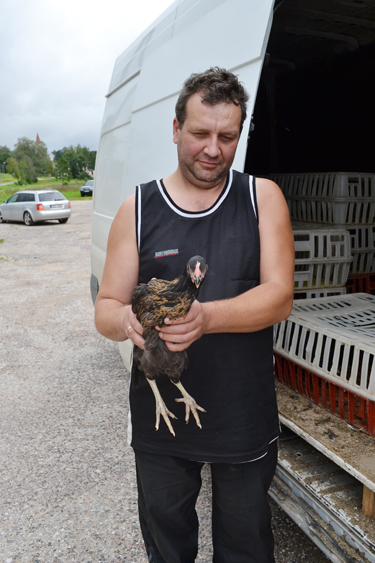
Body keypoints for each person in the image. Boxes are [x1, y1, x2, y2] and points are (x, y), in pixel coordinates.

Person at [95, 67, 295, 563]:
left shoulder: (261, 197)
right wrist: (127, 323)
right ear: (176, 128)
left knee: (246, 546)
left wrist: (206, 318)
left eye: (227, 136)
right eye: (201, 133)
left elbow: (280, 296)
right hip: (161, 419)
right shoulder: (137, 209)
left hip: (242, 414)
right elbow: (106, 308)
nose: (213, 149)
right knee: (168, 545)